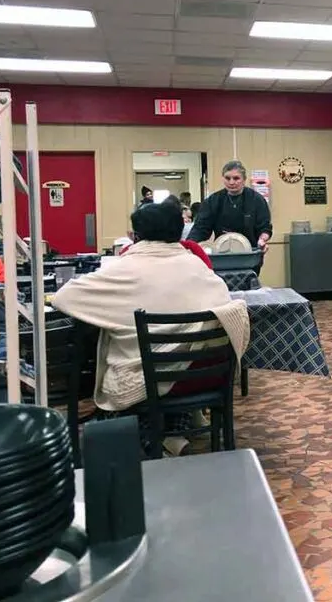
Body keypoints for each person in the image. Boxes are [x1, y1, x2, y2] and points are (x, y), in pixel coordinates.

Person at [52, 200, 249, 453]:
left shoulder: (124, 268)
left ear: (136, 235)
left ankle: (148, 436)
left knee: (118, 352)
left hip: (154, 379)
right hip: (206, 376)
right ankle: (173, 433)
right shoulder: (196, 265)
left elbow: (63, 298)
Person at [187, 160, 272, 274]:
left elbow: (265, 227)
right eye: (227, 178)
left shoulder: (256, 200)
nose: (231, 182)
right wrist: (189, 244)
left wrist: (262, 240)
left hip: (249, 258)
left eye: (236, 178)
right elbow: (201, 228)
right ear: (223, 178)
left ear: (244, 179)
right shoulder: (213, 201)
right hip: (222, 257)